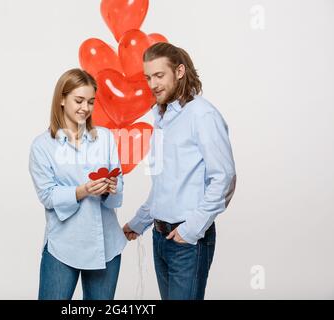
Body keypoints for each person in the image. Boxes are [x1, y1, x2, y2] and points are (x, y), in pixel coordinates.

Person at [123, 43, 237, 300]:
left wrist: (191, 229)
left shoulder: (202, 115)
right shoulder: (162, 119)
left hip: (188, 241)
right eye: (148, 77)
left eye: (159, 75)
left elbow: (225, 177)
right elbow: (165, 185)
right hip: (160, 239)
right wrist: (138, 223)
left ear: (180, 71)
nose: (152, 84)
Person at [29, 68, 126, 300]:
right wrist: (81, 191)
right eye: (79, 100)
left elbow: (119, 189)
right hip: (64, 245)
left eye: (91, 102)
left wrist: (110, 188)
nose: (86, 108)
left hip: (106, 245)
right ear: (62, 99)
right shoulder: (42, 146)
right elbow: (48, 196)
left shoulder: (104, 137)